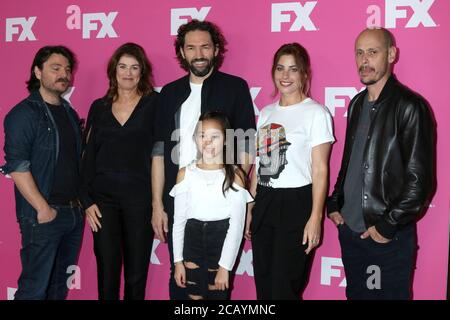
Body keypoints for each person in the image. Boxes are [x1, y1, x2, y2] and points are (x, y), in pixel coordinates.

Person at [326, 27, 435, 300]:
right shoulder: (356, 104)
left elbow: (419, 183)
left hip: (384, 239)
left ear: (391, 54)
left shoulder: (411, 106)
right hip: (351, 232)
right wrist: (335, 202)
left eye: (373, 52)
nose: (365, 60)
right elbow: (350, 161)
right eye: (359, 53)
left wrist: (387, 226)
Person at [152, 19, 256, 299]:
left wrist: (235, 187)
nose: (199, 54)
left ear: (216, 50)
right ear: (182, 52)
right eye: (191, 48)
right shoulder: (170, 93)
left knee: (217, 283)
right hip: (181, 197)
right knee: (183, 281)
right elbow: (160, 153)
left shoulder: (235, 88)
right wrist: (157, 205)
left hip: (221, 202)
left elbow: (246, 142)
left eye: (205, 47)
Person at [245, 43, 335, 300]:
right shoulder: (265, 113)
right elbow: (261, 165)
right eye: (280, 68)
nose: (285, 76)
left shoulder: (317, 113)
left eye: (293, 69)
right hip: (264, 200)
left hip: (297, 204)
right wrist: (250, 207)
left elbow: (320, 170)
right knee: (264, 284)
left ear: (304, 74)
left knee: (285, 287)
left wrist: (315, 217)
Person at [1, 46, 84, 300]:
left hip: (72, 214)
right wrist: (42, 209)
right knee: (33, 291)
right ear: (37, 72)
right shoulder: (24, 114)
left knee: (58, 289)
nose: (64, 74)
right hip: (44, 216)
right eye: (55, 68)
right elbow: (17, 166)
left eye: (67, 69)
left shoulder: (69, 113)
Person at [80, 43, 158, 300]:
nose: (128, 73)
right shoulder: (98, 107)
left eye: (134, 67)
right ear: (113, 70)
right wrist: (87, 200)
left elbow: (162, 155)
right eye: (122, 66)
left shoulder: (155, 104)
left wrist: (159, 203)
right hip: (103, 203)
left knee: (136, 276)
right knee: (107, 273)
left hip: (141, 200)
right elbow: (87, 156)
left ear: (142, 72)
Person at [170, 111, 253, 300]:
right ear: (194, 139)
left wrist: (225, 267)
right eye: (202, 136)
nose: (207, 142)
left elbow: (237, 226)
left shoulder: (236, 175)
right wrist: (178, 262)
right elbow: (179, 222)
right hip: (192, 241)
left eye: (214, 136)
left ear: (225, 139)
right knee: (193, 297)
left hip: (221, 241)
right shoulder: (185, 174)